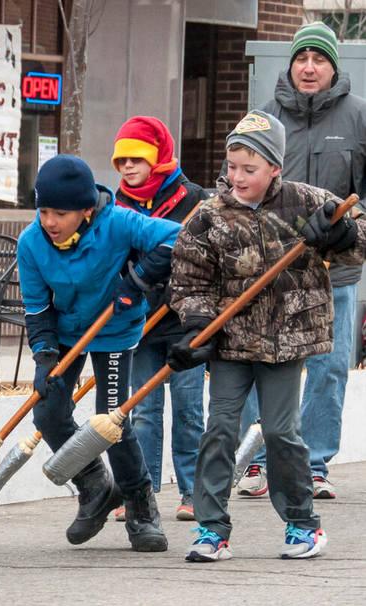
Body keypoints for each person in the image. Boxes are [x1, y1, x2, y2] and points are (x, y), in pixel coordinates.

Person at [169, 110, 366, 562]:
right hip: (230, 341)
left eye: (249, 169)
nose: (236, 177)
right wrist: (199, 326)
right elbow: (189, 279)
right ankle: (211, 528)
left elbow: (361, 232)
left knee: (280, 432)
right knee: (219, 427)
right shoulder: (208, 217)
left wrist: (339, 233)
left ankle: (302, 524)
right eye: (231, 167)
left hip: (287, 341)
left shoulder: (306, 201)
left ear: (275, 168)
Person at [18, 154, 181, 552]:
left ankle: (141, 506)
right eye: (43, 211)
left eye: (60, 213)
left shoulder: (119, 223)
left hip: (114, 328)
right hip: (65, 333)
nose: (49, 222)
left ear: (87, 210)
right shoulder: (31, 243)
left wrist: (138, 279)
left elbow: (177, 236)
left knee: (111, 418)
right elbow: (37, 307)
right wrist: (43, 356)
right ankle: (94, 485)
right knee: (49, 412)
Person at [236, 21, 366, 500]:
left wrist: (349, 226)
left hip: (337, 270)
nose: (309, 68)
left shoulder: (360, 118)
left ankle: (313, 464)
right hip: (275, 271)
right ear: (290, 65)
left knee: (330, 368)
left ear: (334, 66)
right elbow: (239, 190)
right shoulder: (262, 118)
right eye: (302, 59)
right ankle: (255, 461)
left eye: (320, 60)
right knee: (261, 361)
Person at [111, 116, 209, 522]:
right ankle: (142, 493)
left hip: (184, 320)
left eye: (136, 159)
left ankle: (192, 493)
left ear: (158, 159)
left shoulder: (196, 200)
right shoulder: (118, 207)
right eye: (121, 161)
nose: (128, 168)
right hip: (142, 322)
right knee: (145, 411)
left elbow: (205, 259)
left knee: (188, 410)